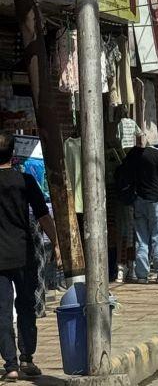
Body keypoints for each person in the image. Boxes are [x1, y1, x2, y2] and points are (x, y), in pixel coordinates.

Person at [0, 132, 58, 381]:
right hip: (24, 254)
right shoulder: (25, 181)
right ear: (13, 153)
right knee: (25, 306)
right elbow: (44, 217)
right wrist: (56, 243)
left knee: (1, 311)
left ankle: (10, 364)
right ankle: (27, 359)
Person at [115, 133, 158, 285]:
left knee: (141, 239)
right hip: (156, 203)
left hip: (138, 202)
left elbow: (121, 173)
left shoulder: (132, 154)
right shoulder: (157, 154)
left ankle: (141, 275)